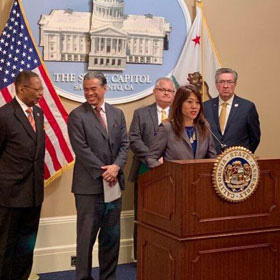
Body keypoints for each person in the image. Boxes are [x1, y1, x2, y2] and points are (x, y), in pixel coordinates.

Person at [68, 71, 129, 280]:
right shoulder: (77, 115)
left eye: (93, 88)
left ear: (104, 88)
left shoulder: (117, 114)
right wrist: (105, 172)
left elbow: (124, 145)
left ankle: (108, 277)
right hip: (89, 188)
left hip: (113, 187)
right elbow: (81, 149)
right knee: (85, 239)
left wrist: (116, 167)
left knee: (111, 237)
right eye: (86, 89)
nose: (89, 93)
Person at [0, 70, 45, 280]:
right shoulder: (4, 115)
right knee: (6, 246)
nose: (41, 93)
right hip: (10, 196)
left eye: (41, 89)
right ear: (21, 89)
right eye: (37, 89)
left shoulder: (38, 113)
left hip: (34, 195)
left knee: (27, 246)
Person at [128, 77, 175, 260]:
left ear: (173, 94)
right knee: (143, 214)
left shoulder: (179, 116)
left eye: (169, 91)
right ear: (154, 92)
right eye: (161, 89)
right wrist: (152, 157)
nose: (165, 93)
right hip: (145, 169)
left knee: (168, 214)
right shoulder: (141, 113)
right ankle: (140, 256)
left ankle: (163, 254)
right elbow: (134, 139)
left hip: (171, 170)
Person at [146, 85, 216, 169]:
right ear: (179, 103)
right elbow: (151, 159)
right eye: (190, 102)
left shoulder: (204, 126)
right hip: (175, 180)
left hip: (199, 180)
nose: (194, 106)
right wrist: (166, 172)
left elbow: (212, 158)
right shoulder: (167, 128)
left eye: (197, 102)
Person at [203, 68, 261, 154]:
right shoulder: (205, 107)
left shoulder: (247, 107)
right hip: (211, 160)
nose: (225, 86)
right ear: (216, 84)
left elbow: (255, 138)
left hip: (237, 161)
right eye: (222, 82)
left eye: (229, 82)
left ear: (235, 84)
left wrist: (244, 156)